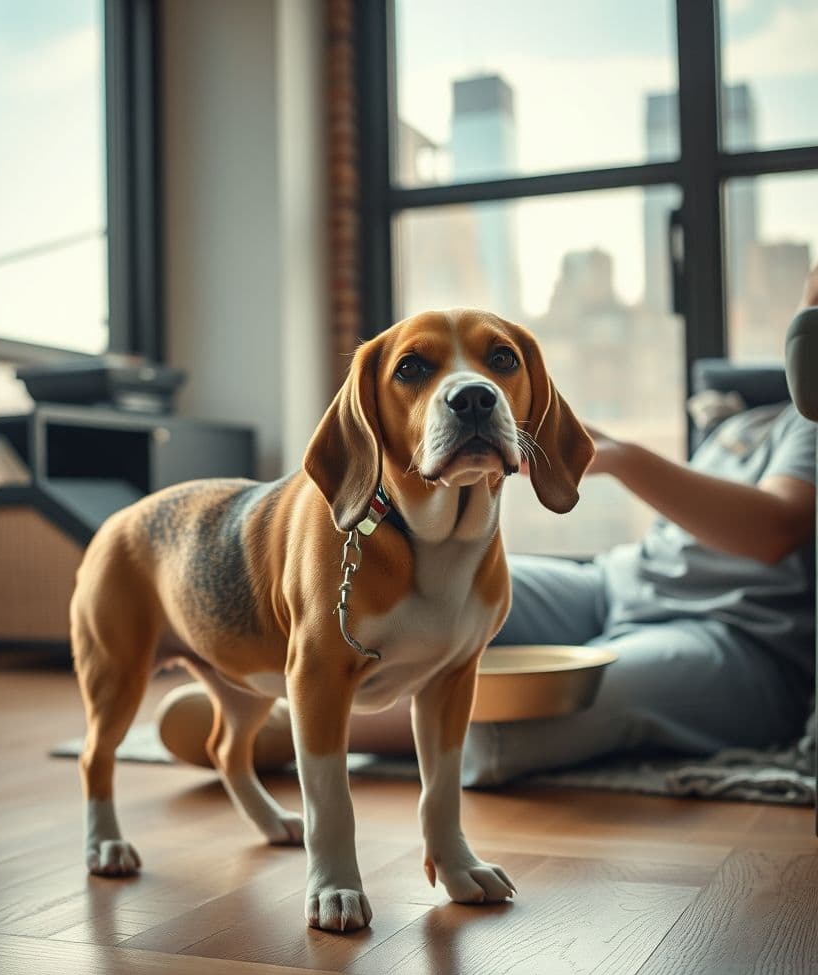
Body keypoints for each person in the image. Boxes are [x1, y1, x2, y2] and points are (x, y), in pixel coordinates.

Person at [157, 269, 817, 786]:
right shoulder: (738, 423)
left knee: (524, 719)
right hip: (613, 585)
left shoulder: (809, 428)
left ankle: (291, 724)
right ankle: (300, 686)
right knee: (441, 594)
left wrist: (614, 454)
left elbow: (774, 531)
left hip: (737, 640)